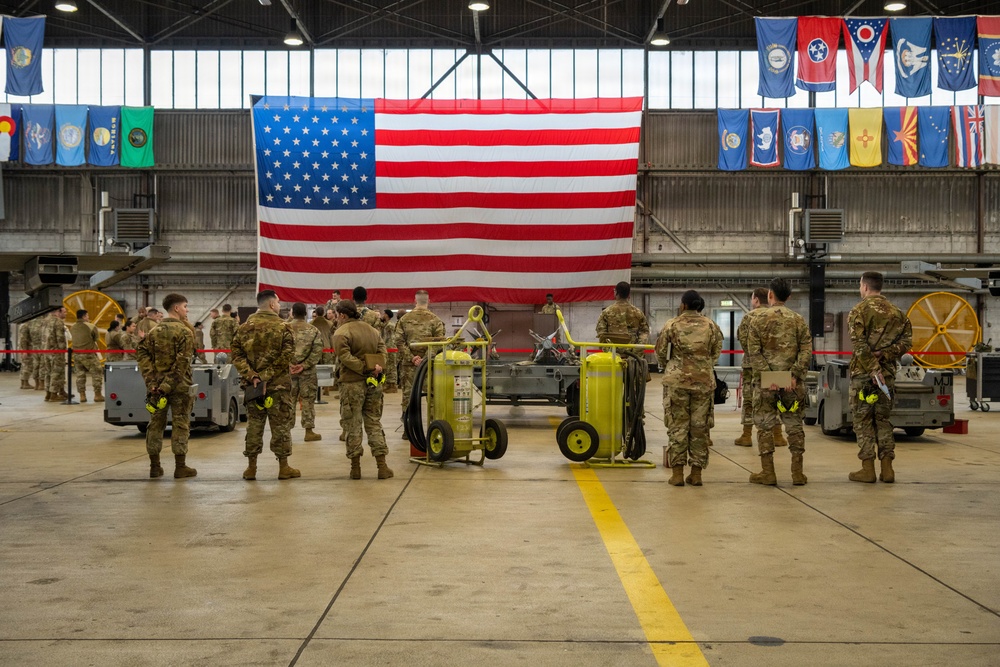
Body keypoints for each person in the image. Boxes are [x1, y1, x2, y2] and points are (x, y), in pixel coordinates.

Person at [745, 278, 812, 486]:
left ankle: (768, 472)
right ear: (789, 297)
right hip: (792, 384)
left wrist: (769, 377)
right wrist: (794, 375)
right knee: (793, 424)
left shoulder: (757, 320)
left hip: (766, 384)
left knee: (765, 425)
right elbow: (806, 350)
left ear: (770, 295)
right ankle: (797, 473)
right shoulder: (799, 320)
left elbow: (753, 352)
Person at [847, 271, 913, 484]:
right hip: (887, 377)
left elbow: (859, 346)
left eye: (860, 285)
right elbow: (907, 343)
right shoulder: (898, 314)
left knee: (864, 421)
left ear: (865, 287)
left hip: (864, 377)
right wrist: (885, 355)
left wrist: (873, 370)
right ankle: (887, 469)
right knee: (883, 420)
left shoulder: (858, 311)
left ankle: (867, 469)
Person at [655, 290, 723, 486]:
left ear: (683, 305)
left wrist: (670, 365)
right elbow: (715, 352)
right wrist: (702, 365)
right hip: (703, 382)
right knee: (700, 428)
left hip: (677, 381)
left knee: (678, 426)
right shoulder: (711, 325)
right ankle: (696, 474)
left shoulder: (672, 324)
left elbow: (660, 352)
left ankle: (677, 474)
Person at [231, 290, 299, 481]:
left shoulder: (243, 328)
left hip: (253, 387)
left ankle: (251, 468)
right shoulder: (284, 328)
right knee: (281, 426)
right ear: (271, 304)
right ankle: (283, 467)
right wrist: (265, 375)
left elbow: (236, 355)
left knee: (254, 425)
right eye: (277, 302)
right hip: (278, 386)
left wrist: (253, 376)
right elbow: (286, 356)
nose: (279, 305)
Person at [135, 293, 198, 480]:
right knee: (180, 424)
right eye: (185, 306)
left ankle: (155, 467)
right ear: (176, 308)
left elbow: (142, 356)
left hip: (155, 389)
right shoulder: (185, 332)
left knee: (155, 425)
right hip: (179, 387)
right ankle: (180, 467)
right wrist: (167, 386)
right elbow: (182, 363)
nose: (187, 310)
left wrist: (153, 383)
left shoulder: (153, 332)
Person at [332, 299, 393, 480]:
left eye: (337, 315)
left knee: (353, 424)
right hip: (373, 383)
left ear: (342, 315)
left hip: (352, 384)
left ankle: (355, 468)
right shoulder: (373, 331)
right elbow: (383, 353)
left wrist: (363, 368)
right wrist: (376, 368)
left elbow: (345, 358)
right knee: (374, 422)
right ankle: (382, 467)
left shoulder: (341, 332)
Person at [395, 290, 446, 435]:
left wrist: (412, 357)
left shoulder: (404, 319)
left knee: (408, 397)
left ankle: (408, 431)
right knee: (433, 397)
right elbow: (439, 342)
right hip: (429, 367)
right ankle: (434, 430)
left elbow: (398, 341)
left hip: (409, 366)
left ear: (414, 301)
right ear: (429, 301)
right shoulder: (436, 320)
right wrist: (426, 358)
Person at [734, 287, 777, 447]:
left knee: (749, 399)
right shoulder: (778, 316)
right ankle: (778, 435)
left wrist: (754, 355)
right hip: (775, 365)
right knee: (774, 397)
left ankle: (746, 435)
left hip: (751, 365)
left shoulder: (749, 317)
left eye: (752, 298)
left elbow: (743, 340)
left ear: (756, 300)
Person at [596, 281, 650, 374]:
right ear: (629, 294)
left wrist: (609, 353)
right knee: (632, 385)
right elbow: (644, 333)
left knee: (613, 385)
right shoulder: (638, 312)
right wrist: (636, 353)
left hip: (612, 357)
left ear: (616, 292)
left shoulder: (607, 312)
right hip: (633, 357)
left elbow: (602, 334)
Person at [288, 302, 324, 442]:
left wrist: (290, 364)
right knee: (308, 400)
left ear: (292, 313)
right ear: (305, 314)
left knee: (288, 400)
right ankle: (309, 432)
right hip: (307, 372)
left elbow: (278, 350)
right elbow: (317, 351)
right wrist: (304, 365)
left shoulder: (284, 328)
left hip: (288, 371)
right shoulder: (313, 330)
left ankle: (286, 431)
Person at [69, 309, 104, 403]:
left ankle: (82, 395)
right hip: (89, 354)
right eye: (87, 316)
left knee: (80, 375)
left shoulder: (72, 327)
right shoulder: (91, 326)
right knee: (97, 373)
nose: (88, 318)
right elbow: (96, 338)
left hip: (76, 355)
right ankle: (97, 395)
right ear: (84, 316)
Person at [43, 306, 68, 402]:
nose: (65, 314)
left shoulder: (45, 320)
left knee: (48, 373)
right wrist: (63, 349)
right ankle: (54, 395)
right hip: (56, 351)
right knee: (56, 373)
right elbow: (60, 338)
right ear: (58, 311)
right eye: (64, 312)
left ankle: (48, 394)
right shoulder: (58, 322)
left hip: (46, 350)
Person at [381, 309, 398, 393]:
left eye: (383, 314)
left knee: (391, 367)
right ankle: (388, 384)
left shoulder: (390, 325)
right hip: (388, 348)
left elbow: (388, 338)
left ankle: (393, 385)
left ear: (386, 315)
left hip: (391, 348)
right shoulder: (386, 324)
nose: (382, 315)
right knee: (388, 367)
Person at [18, 319, 36, 389]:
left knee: (25, 365)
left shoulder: (24, 325)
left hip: (26, 348)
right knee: (28, 366)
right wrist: (24, 350)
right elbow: (23, 339)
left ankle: (24, 382)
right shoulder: (26, 325)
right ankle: (25, 383)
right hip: (27, 348)